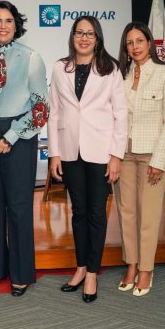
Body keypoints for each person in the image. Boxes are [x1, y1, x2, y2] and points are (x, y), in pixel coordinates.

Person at [48, 16, 127, 303]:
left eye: (90, 34)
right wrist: (54, 152)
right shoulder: (60, 67)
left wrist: (116, 155)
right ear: (72, 36)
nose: (84, 38)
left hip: (100, 152)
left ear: (98, 38)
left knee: (95, 214)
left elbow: (121, 114)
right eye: (79, 33)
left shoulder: (111, 69)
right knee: (78, 212)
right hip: (70, 151)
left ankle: (93, 272)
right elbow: (54, 112)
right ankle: (80, 267)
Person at [0, 1, 48, 297]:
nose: (2, 26)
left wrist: (12, 135)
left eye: (8, 21)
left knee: (17, 207)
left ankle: (20, 273)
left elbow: (41, 108)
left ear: (16, 25)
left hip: (17, 135)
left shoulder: (31, 58)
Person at [114, 22, 165, 297]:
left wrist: (160, 160)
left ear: (149, 43)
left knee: (149, 215)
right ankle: (131, 264)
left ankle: (146, 269)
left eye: (140, 40)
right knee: (126, 212)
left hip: (152, 154)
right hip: (123, 153)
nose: (135, 46)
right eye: (130, 42)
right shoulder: (120, 75)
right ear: (126, 48)